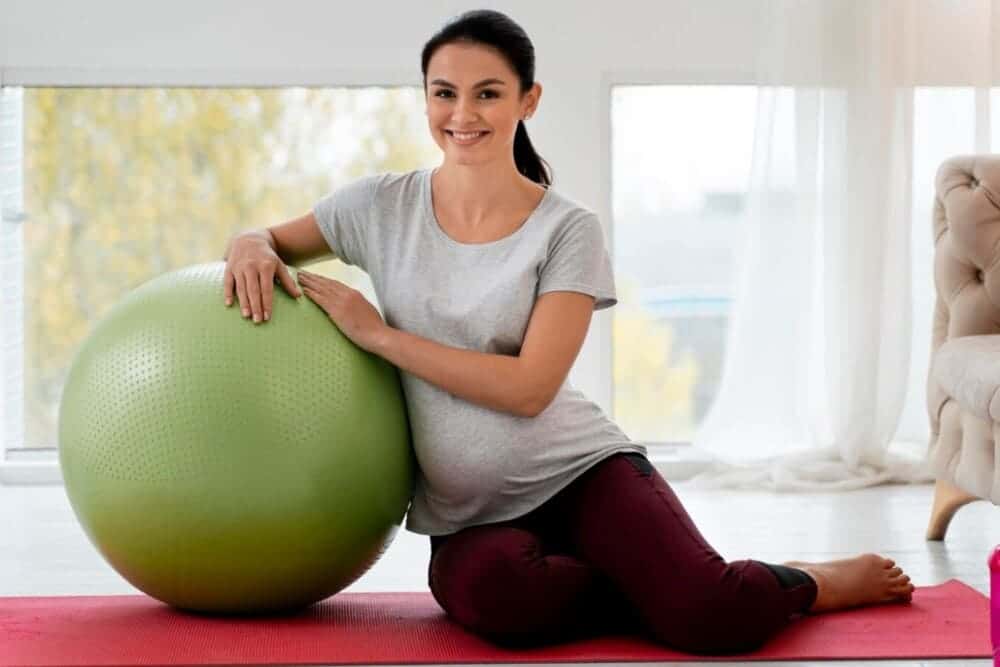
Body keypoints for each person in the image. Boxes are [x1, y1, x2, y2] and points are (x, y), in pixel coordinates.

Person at [221, 8, 914, 655]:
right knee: (500, 604)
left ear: (528, 100)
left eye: (488, 94)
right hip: (470, 513)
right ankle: (658, 585)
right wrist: (249, 243)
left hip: (580, 472)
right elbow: (267, 237)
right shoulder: (379, 206)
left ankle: (807, 580)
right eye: (444, 93)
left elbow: (529, 387)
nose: (462, 114)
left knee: (709, 616)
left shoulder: (567, 229)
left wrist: (383, 338)